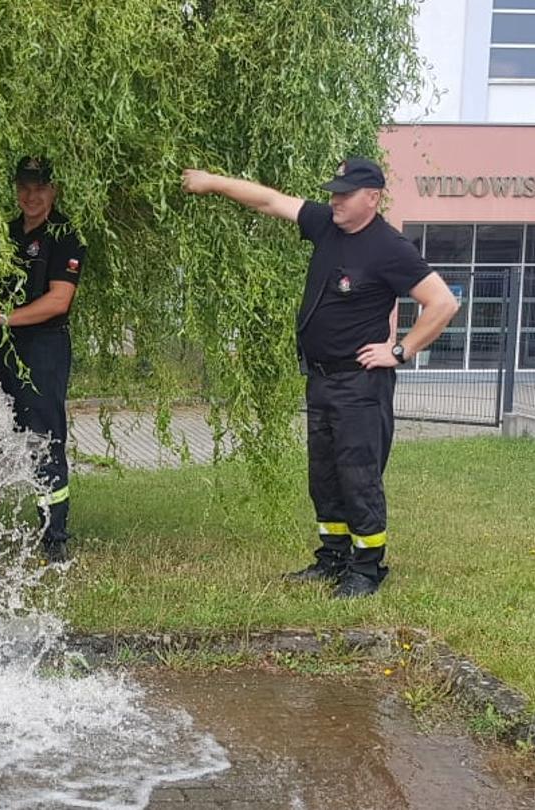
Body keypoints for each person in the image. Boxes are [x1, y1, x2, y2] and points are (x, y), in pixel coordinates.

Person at [181, 157, 460, 598]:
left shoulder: (389, 247)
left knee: (358, 474)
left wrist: (400, 351)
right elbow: (270, 200)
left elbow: (442, 302)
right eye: (333, 192)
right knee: (325, 474)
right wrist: (212, 181)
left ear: (373, 198)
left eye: (344, 194)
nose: (335, 200)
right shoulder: (326, 225)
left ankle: (367, 569)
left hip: (361, 386)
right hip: (322, 379)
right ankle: (332, 558)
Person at [0, 156, 86, 562]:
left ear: (54, 191)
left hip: (45, 346)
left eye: (41, 187)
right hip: (5, 345)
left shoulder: (66, 234)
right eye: (25, 186)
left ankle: (55, 535)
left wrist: (6, 318)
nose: (31, 196)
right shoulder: (7, 231)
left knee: (45, 437)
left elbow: (59, 299)